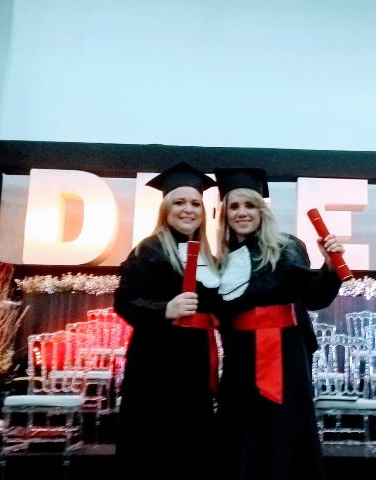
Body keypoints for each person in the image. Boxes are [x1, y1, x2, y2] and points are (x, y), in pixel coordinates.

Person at [213, 167, 344, 480]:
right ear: (225, 214)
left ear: (262, 210)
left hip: (284, 356)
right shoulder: (220, 261)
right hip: (241, 356)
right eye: (234, 206)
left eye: (249, 205)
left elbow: (314, 296)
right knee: (241, 429)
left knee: (284, 431)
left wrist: (329, 266)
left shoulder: (286, 247)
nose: (242, 213)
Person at [113, 161, 221, 480]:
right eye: (179, 202)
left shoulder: (207, 255)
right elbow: (124, 301)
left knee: (192, 440)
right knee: (156, 441)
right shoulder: (150, 249)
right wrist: (165, 309)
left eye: (195, 204)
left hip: (195, 359)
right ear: (165, 209)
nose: (188, 210)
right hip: (156, 362)